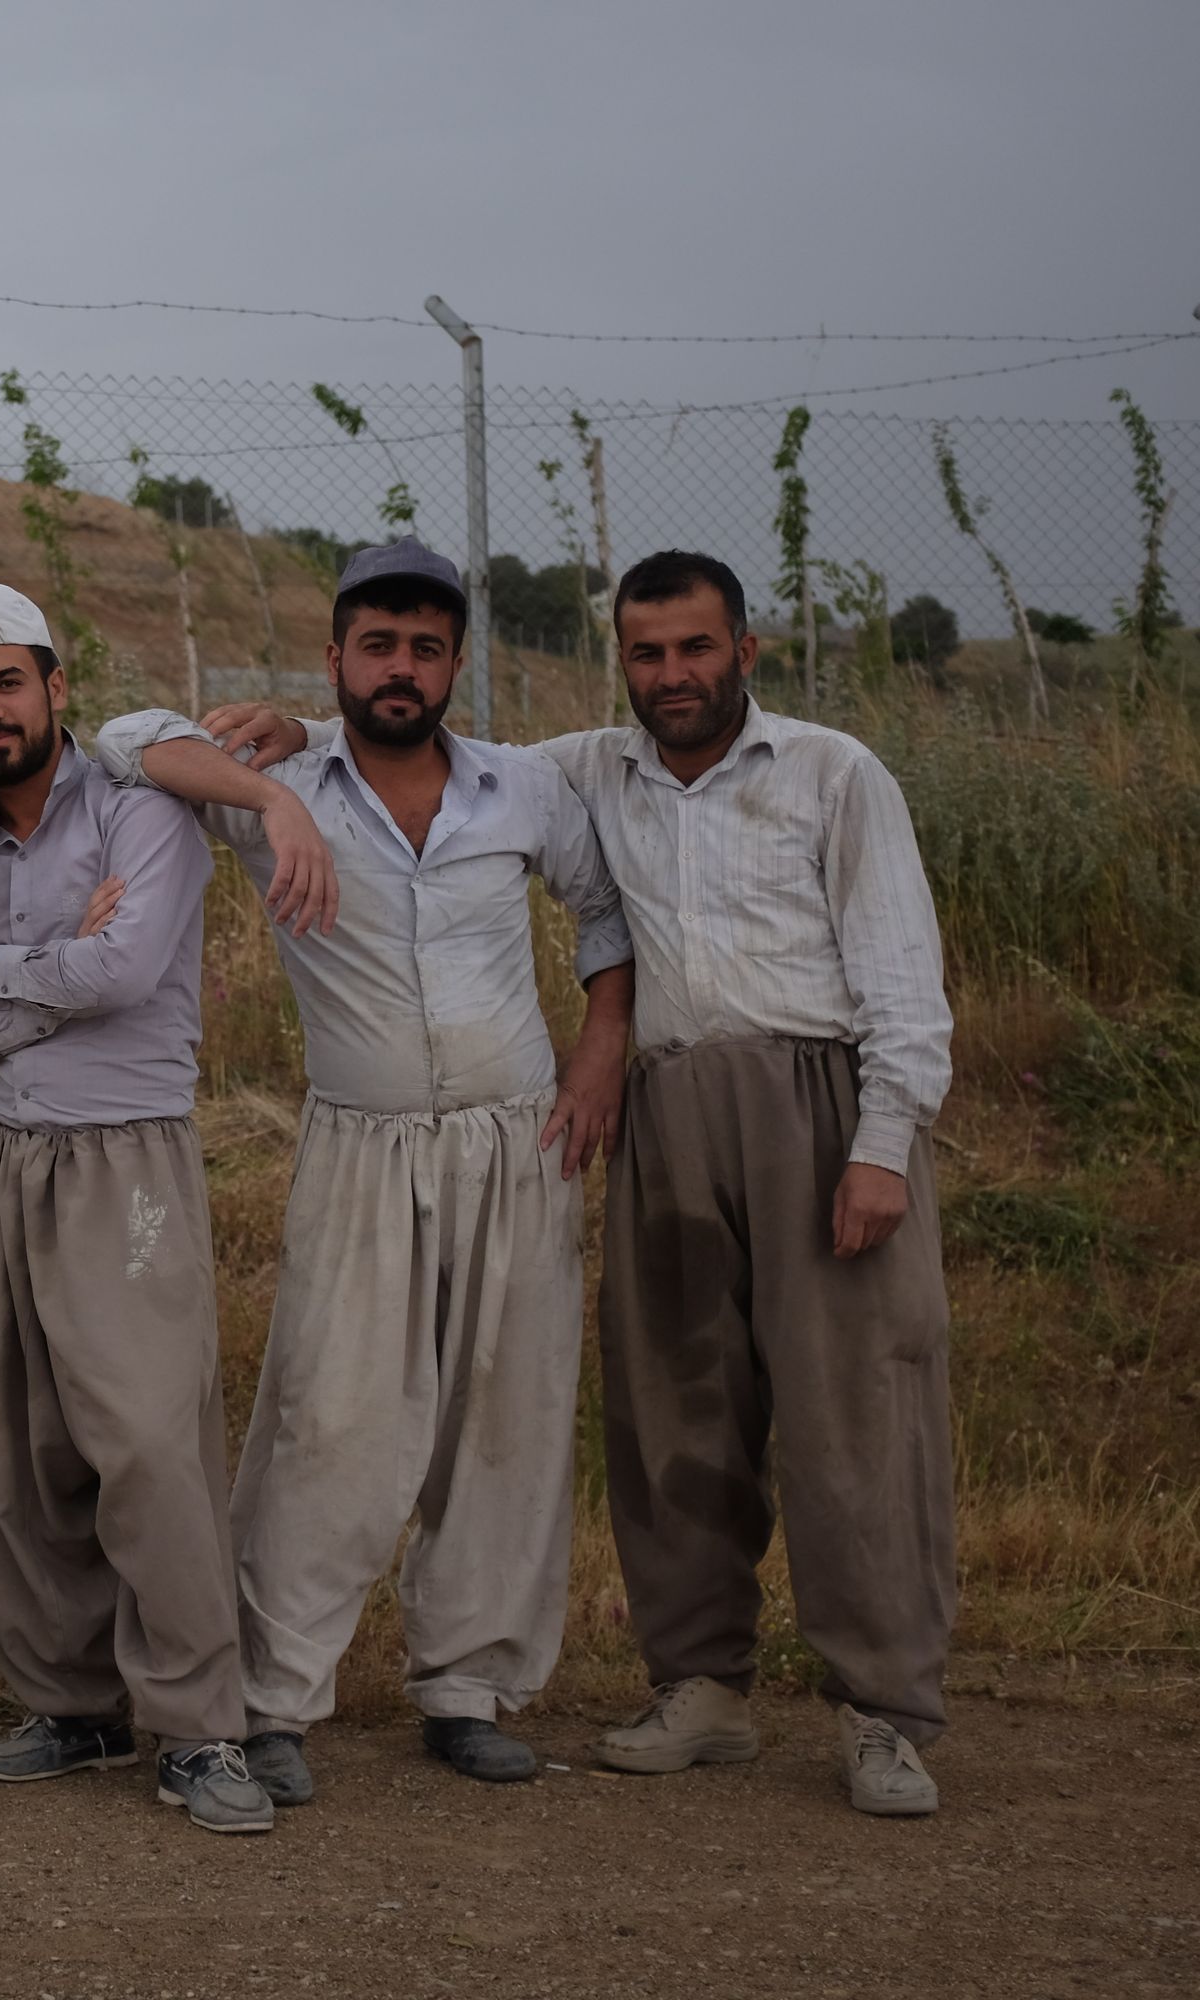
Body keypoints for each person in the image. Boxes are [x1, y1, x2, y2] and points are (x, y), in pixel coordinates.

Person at [207, 548, 956, 1818]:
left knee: (836, 1416)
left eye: (697, 649)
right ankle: (687, 1689)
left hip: (788, 1108)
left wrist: (881, 1138)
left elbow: (868, 965)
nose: (674, 675)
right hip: (578, 1121)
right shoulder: (562, 767)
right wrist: (266, 767)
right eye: (650, 653)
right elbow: (142, 745)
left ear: (745, 652)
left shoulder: (815, 772)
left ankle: (871, 1710)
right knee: (649, 1417)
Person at [88, 536, 636, 1808]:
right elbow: (122, 734)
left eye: (426, 648)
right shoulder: (278, 777)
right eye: (376, 646)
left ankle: (468, 1684)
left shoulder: (522, 787)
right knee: (329, 1419)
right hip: (362, 1141)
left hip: (519, 1140)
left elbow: (603, 911)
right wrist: (275, 790)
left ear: (456, 664)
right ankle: (276, 1695)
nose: (401, 669)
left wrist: (601, 1048)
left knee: (507, 1410)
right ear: (333, 657)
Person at [0, 582, 335, 1837]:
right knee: (19, 1447)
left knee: (146, 1443)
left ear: (52, 685)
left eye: (6, 683)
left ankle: (201, 1726)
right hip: (8, 1159)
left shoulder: (146, 809)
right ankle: (72, 1701)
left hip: (127, 1160)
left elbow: (129, 966)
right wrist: (33, 980)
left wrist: (0, 972)